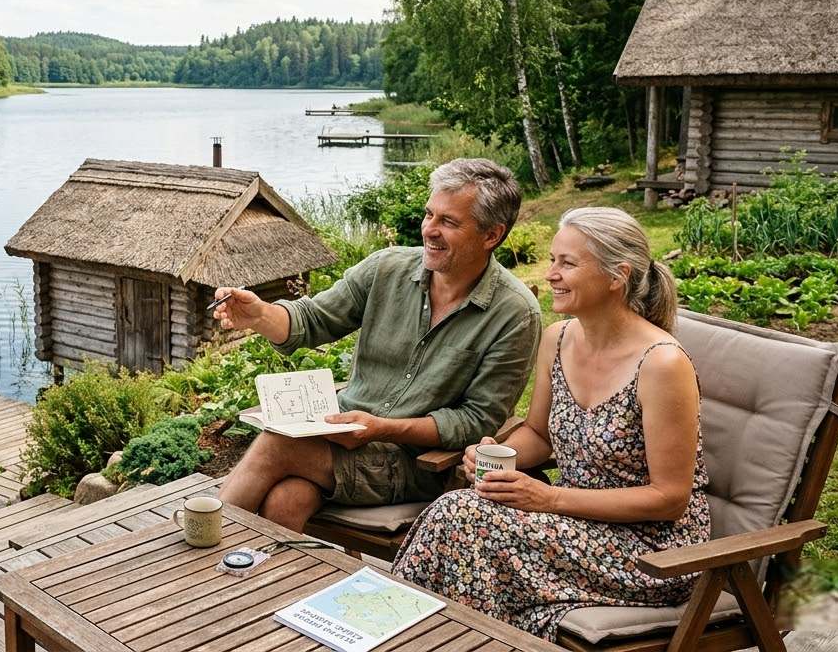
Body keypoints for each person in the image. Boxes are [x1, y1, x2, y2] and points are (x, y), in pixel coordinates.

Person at [391, 206, 710, 642]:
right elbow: (538, 435)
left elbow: (669, 499)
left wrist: (549, 497)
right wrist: (496, 460)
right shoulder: (559, 338)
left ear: (617, 275)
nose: (551, 273)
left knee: (462, 520)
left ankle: (407, 634)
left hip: (649, 551)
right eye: (553, 259)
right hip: (574, 527)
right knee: (459, 514)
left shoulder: (661, 364)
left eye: (567, 263)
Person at [213, 158, 542, 532]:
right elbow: (313, 319)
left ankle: (197, 556)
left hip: (417, 463)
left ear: (491, 235)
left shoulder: (515, 314)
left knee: (277, 445)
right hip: (339, 440)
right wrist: (260, 316)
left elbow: (475, 421)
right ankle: (264, 585)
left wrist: (382, 428)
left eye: (448, 222)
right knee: (286, 500)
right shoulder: (386, 268)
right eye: (429, 214)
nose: (428, 230)